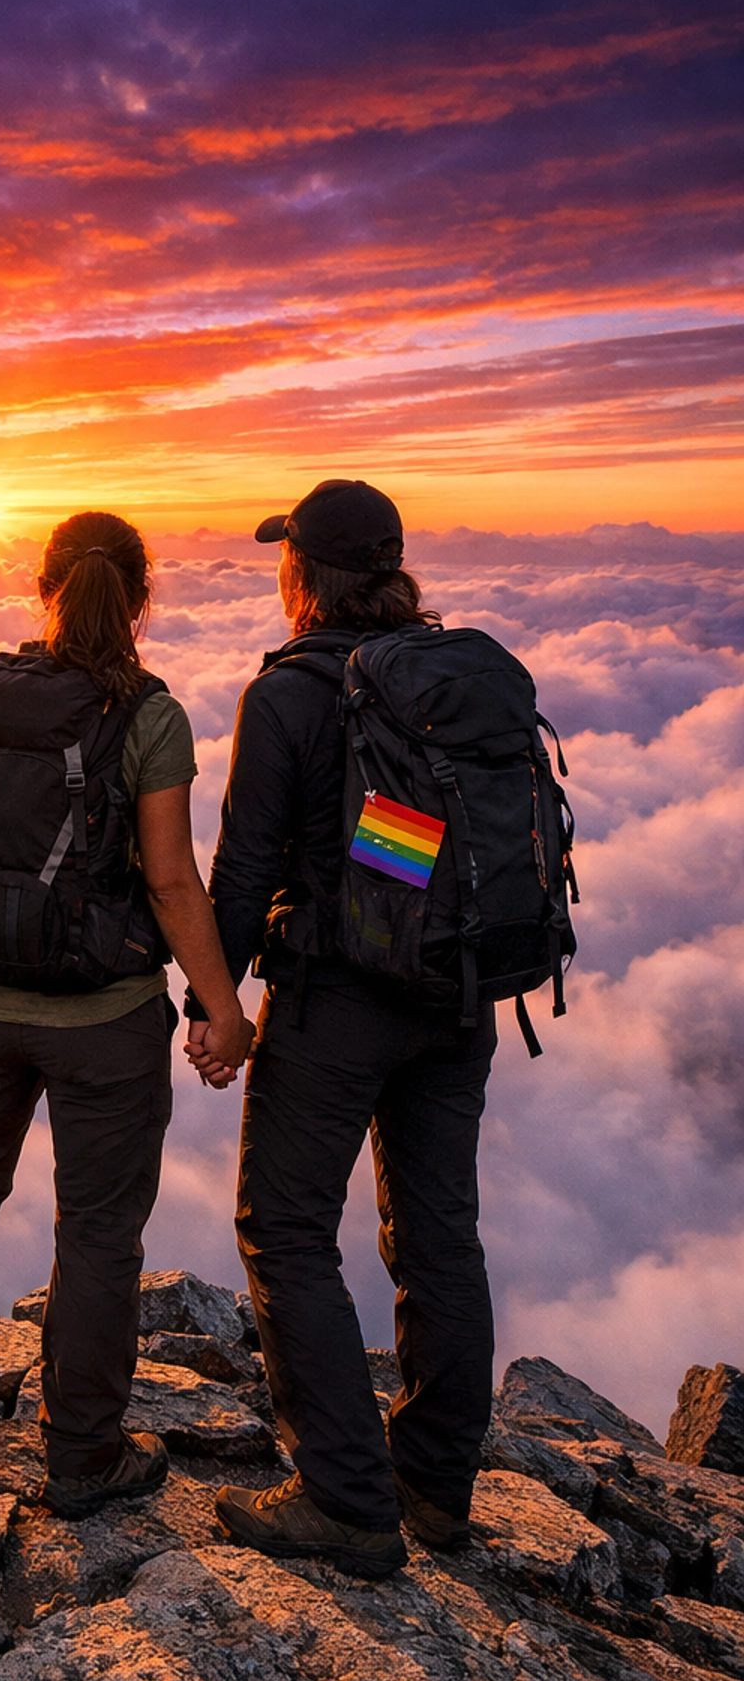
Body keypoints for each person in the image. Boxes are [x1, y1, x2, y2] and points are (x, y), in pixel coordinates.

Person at [0, 510, 256, 1518]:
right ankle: (83, 1454)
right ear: (142, 596)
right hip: (108, 1019)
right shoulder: (150, 717)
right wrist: (226, 1011)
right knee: (95, 1234)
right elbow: (172, 884)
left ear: (43, 587)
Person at [189, 479, 497, 1579]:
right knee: (438, 1238)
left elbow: (243, 873)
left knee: (283, 1229)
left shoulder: (290, 695)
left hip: (338, 1006)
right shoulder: (445, 679)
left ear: (303, 575)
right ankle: (434, 1487)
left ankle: (345, 1500)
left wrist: (212, 1006)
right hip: (458, 1003)